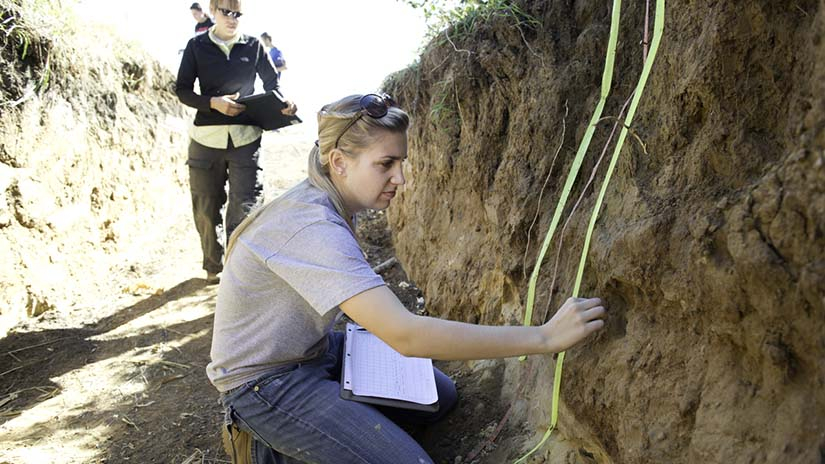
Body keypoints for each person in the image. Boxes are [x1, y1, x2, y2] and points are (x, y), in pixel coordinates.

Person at [208, 93, 607, 463]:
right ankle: (271, 446)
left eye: (401, 162)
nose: (400, 177)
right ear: (339, 162)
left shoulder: (327, 199)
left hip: (311, 350)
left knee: (439, 397)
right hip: (265, 383)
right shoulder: (311, 224)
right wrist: (544, 338)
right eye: (386, 164)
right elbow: (406, 335)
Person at [175, 0, 297, 284]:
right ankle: (212, 266)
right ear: (213, 11)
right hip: (205, 141)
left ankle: (237, 271)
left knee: (246, 207)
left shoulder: (254, 46)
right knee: (206, 208)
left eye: (237, 14)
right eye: (226, 12)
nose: (232, 18)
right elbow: (182, 90)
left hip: (246, 139)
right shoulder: (196, 46)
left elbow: (273, 85)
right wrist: (212, 103)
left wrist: (285, 102)